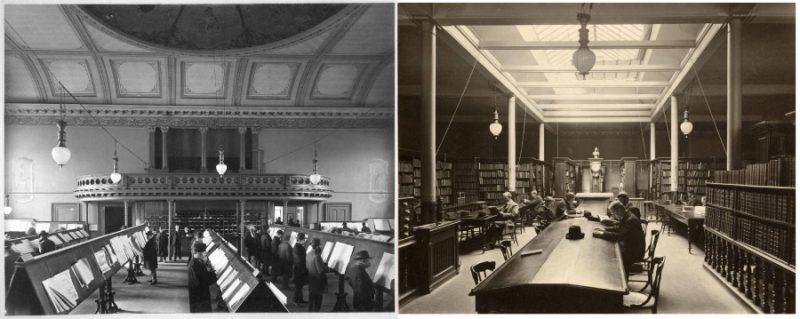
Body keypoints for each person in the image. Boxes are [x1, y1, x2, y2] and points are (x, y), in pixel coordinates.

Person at [593, 201, 646, 274]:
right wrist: (604, 229)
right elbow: (620, 228)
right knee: (611, 253)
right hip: (632, 247)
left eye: (614, 213)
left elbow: (620, 236)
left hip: (635, 252)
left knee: (612, 257)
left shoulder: (630, 219)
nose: (614, 215)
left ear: (619, 210)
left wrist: (603, 234)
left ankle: (620, 279)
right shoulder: (627, 215)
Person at [187, 242, 216, 313]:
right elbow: (200, 283)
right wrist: (214, 277)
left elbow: (204, 276)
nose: (205, 253)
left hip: (202, 296)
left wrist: (212, 273)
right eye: (203, 251)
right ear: (198, 252)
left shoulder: (198, 262)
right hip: (198, 299)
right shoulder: (194, 265)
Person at [306, 238, 328, 312]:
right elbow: (320, 270)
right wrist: (326, 268)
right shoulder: (317, 256)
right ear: (318, 246)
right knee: (317, 301)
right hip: (318, 281)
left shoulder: (308, 253)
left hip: (311, 279)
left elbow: (307, 266)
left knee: (311, 300)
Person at [292, 233, 309, 306]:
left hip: (300, 269)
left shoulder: (299, 247)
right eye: (304, 239)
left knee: (300, 285)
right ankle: (295, 300)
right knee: (298, 286)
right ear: (300, 240)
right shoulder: (297, 248)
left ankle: (300, 299)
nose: (304, 241)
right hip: (299, 270)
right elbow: (300, 260)